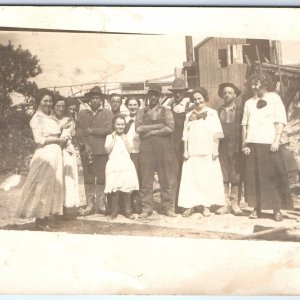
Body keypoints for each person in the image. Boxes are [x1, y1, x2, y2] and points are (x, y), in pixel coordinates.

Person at [241, 73, 293, 222]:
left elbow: (281, 120)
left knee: (273, 176)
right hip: (253, 144)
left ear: (264, 84)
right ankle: (257, 208)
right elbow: (244, 125)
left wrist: (276, 139)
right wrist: (244, 144)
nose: (253, 87)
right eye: (252, 84)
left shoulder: (274, 98)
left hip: (270, 144)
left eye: (256, 84)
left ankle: (277, 209)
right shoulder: (248, 103)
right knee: (254, 177)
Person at [16, 89, 67, 230]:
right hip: (45, 155)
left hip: (55, 154)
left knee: (52, 186)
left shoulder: (49, 117)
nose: (48, 103)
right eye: (45, 101)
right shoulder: (37, 118)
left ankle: (45, 217)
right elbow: (39, 139)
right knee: (43, 186)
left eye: (50, 101)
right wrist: (58, 139)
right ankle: (39, 220)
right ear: (39, 101)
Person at [178, 88, 226, 217]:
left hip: (208, 151)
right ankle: (190, 205)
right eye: (195, 99)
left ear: (204, 98)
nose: (197, 101)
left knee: (207, 179)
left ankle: (206, 206)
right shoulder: (189, 115)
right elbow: (185, 135)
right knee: (191, 179)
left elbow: (218, 133)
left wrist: (215, 149)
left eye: (199, 98)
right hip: (192, 152)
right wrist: (185, 151)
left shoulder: (212, 113)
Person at [136, 85, 178, 218]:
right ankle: (146, 208)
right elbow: (138, 128)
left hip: (164, 149)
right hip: (146, 149)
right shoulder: (141, 112)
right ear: (148, 96)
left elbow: (170, 128)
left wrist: (150, 131)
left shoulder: (166, 111)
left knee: (165, 178)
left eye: (156, 95)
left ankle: (167, 207)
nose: (153, 97)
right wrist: (160, 126)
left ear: (160, 96)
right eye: (151, 95)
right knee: (146, 179)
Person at [76, 86, 113, 216]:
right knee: (88, 177)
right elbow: (79, 132)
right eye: (92, 98)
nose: (95, 100)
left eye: (97, 98)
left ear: (101, 99)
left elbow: (109, 129)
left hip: (102, 151)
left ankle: (101, 204)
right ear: (89, 100)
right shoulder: (82, 114)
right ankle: (90, 205)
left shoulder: (107, 113)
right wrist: (84, 144)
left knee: (102, 177)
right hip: (87, 151)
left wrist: (92, 131)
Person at [167, 78, 195, 212]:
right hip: (172, 144)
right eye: (175, 92)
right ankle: (174, 204)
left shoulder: (191, 105)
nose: (177, 94)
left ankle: (188, 205)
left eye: (180, 92)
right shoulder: (170, 105)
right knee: (174, 174)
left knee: (187, 173)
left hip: (186, 144)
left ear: (185, 92)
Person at [50, 97, 81, 214]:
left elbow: (73, 135)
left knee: (68, 179)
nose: (61, 109)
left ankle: (66, 207)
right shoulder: (50, 120)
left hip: (67, 151)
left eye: (63, 106)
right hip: (55, 150)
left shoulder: (70, 120)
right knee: (57, 178)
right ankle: (55, 209)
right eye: (58, 106)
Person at [104, 114, 139, 219]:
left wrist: (125, 139)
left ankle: (127, 211)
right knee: (115, 188)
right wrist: (114, 139)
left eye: (122, 124)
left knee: (127, 188)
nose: (120, 127)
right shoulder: (109, 136)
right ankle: (114, 212)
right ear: (114, 125)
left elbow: (130, 150)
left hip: (126, 164)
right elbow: (107, 150)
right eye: (118, 124)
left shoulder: (127, 136)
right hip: (114, 164)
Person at [217, 83, 244, 216]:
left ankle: (235, 203)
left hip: (236, 147)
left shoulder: (240, 110)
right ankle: (225, 203)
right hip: (222, 147)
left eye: (229, 92)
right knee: (223, 174)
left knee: (235, 175)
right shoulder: (218, 111)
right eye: (224, 93)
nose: (227, 95)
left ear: (235, 95)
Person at [124, 96, 142, 213]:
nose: (132, 107)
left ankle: (137, 204)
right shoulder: (124, 119)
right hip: (126, 153)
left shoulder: (142, 118)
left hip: (139, 152)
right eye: (130, 105)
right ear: (127, 106)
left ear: (138, 106)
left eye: (135, 104)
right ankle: (126, 205)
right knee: (127, 178)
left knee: (138, 177)